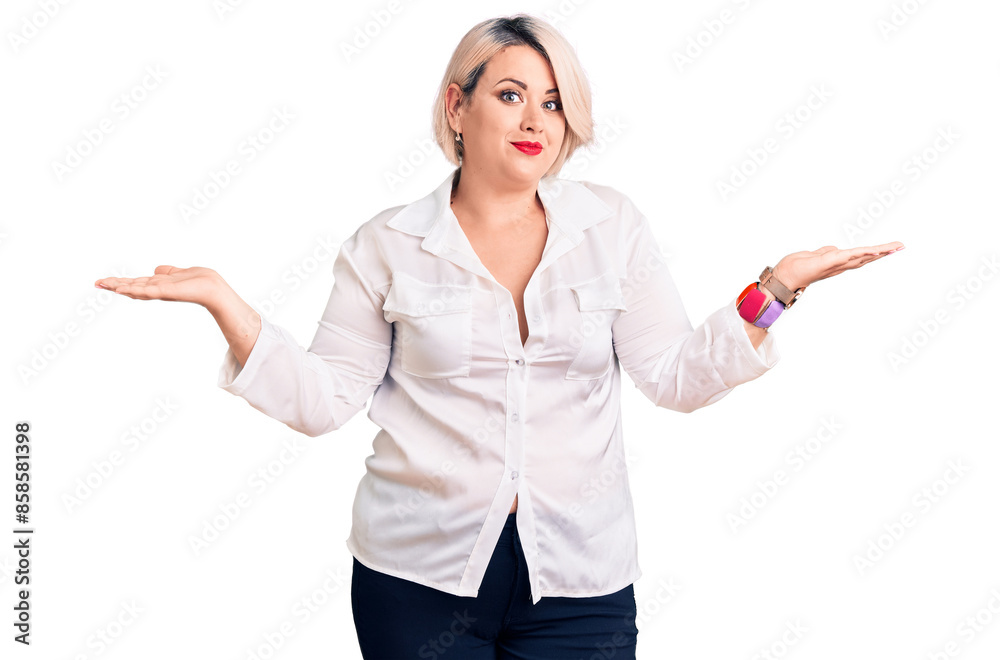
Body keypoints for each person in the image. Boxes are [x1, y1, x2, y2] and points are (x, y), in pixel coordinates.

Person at [94, 13, 903, 659]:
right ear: (458, 104)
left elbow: (676, 376)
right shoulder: (386, 245)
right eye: (512, 94)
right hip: (416, 582)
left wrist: (776, 291)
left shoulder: (611, 226)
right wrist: (221, 300)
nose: (537, 120)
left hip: (580, 585)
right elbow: (324, 399)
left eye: (554, 102)